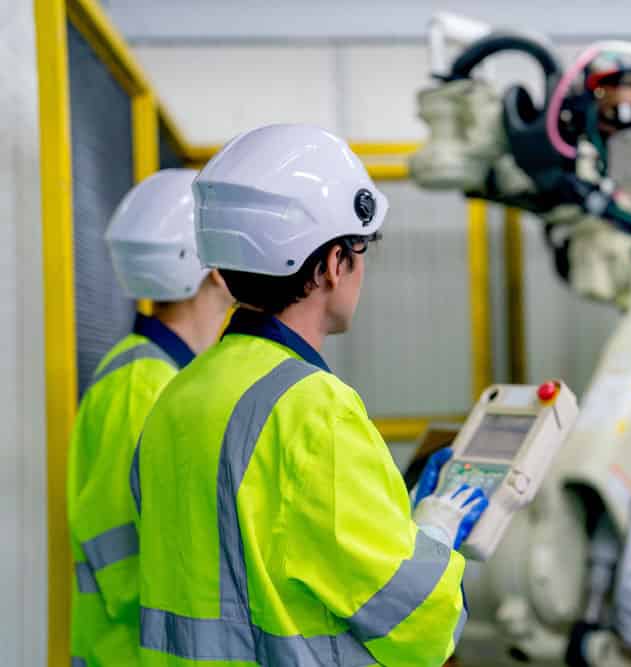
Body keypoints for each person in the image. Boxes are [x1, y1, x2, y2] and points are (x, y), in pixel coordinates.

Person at [134, 124, 488, 666]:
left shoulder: (178, 395)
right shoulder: (314, 411)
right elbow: (422, 620)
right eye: (361, 249)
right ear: (332, 265)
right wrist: (434, 530)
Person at [68, 169, 234, 667]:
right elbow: (124, 559)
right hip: (134, 655)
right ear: (217, 271)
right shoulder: (143, 386)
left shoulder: (160, 376)